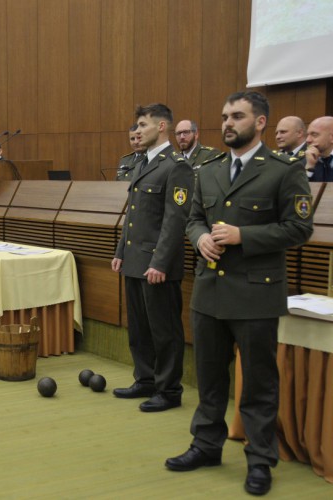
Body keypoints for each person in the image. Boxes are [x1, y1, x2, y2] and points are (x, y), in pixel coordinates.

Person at [166, 91, 313, 496]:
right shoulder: (209, 169)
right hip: (210, 291)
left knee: (259, 385)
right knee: (209, 379)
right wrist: (199, 240)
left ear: (261, 122)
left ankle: (261, 460)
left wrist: (241, 235)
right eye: (224, 115)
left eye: (237, 116)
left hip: (255, 295)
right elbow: (194, 218)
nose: (227, 122)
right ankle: (206, 445)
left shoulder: (283, 170)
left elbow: (299, 229)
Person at [111, 104, 193, 412]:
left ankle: (169, 390)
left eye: (143, 125)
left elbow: (175, 221)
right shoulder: (143, 163)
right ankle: (144, 379)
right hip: (135, 260)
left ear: (161, 127)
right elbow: (134, 215)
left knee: (164, 330)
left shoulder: (176, 166)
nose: (137, 130)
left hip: (157, 265)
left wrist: (159, 262)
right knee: (139, 328)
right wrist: (121, 251)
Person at [303, 116, 333, 182]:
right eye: (307, 135)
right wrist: (310, 167)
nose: (308, 140)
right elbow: (299, 190)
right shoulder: (305, 162)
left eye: (314, 135)